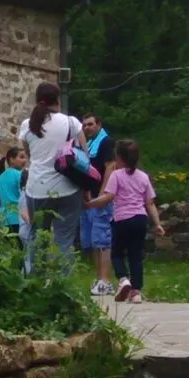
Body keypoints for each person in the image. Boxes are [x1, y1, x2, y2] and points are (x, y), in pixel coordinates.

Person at [18, 81, 84, 275]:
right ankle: (64, 290)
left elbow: (30, 155)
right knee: (64, 241)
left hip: (37, 189)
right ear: (57, 98)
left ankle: (35, 287)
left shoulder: (27, 125)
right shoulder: (72, 122)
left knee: (37, 240)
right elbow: (84, 157)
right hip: (68, 188)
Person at [87, 139, 164, 303]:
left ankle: (123, 279)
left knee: (116, 253)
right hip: (140, 219)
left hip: (121, 220)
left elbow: (108, 197)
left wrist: (89, 204)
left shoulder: (116, 175)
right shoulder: (143, 177)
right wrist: (157, 224)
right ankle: (136, 292)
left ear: (119, 158)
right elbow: (149, 202)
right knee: (136, 256)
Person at [78, 114, 117, 297]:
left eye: (90, 124)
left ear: (99, 124)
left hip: (100, 198)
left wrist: (103, 193)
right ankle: (99, 278)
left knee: (102, 239)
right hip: (89, 198)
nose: (87, 128)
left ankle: (105, 280)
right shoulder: (90, 144)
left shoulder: (106, 142)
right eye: (84, 125)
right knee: (93, 240)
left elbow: (110, 166)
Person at [0, 147, 28, 244]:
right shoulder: (20, 175)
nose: (24, 160)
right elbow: (25, 197)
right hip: (19, 219)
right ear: (12, 159)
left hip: (5, 221)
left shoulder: (0, 178)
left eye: (25, 157)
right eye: (21, 157)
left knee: (10, 252)